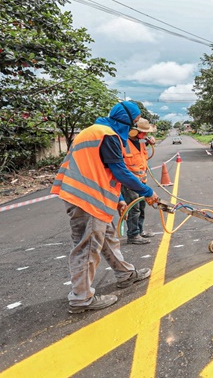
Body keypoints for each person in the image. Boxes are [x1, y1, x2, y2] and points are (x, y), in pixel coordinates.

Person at [51, 101, 160, 314]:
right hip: (87, 198)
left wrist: (118, 198)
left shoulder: (94, 132)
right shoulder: (108, 135)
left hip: (86, 196)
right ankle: (81, 298)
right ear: (127, 119)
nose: (136, 126)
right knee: (88, 246)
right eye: (136, 121)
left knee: (108, 237)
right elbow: (120, 171)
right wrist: (147, 192)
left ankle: (125, 274)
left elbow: (102, 168)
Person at [122, 118, 158, 244]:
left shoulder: (141, 142)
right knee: (134, 208)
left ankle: (140, 230)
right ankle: (133, 235)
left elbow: (142, 156)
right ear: (134, 132)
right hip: (129, 182)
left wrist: (149, 141)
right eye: (144, 133)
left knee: (142, 206)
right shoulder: (124, 144)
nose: (146, 135)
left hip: (141, 181)